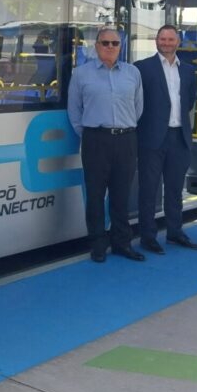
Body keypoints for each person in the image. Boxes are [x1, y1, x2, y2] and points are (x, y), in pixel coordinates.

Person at [67, 27, 144, 263]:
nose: (110, 47)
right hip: (96, 140)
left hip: (126, 139)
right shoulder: (81, 74)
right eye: (105, 43)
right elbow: (74, 110)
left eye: (115, 43)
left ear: (121, 46)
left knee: (121, 195)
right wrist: (91, 131)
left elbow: (138, 107)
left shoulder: (133, 73)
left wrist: (124, 127)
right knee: (96, 195)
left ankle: (122, 243)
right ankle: (98, 245)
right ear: (96, 45)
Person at [134, 25, 197, 254]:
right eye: (162, 39)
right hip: (152, 139)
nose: (166, 43)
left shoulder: (188, 71)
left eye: (171, 39)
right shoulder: (142, 68)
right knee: (149, 190)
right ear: (156, 41)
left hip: (179, 137)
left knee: (174, 190)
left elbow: (189, 101)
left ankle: (175, 233)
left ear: (178, 42)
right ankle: (148, 237)